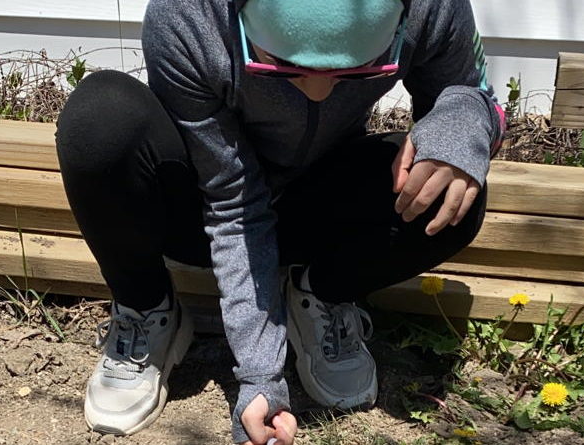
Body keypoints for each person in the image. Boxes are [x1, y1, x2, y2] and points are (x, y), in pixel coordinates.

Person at [55, 0, 504, 443]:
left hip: (315, 201)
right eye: (280, 64)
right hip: (207, 207)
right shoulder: (188, 16)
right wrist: (259, 375)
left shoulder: (433, 6)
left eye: (358, 67)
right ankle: (147, 308)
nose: (318, 91)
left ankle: (321, 294)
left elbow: (474, 95)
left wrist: (463, 123)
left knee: (455, 191)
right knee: (101, 118)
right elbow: (235, 203)